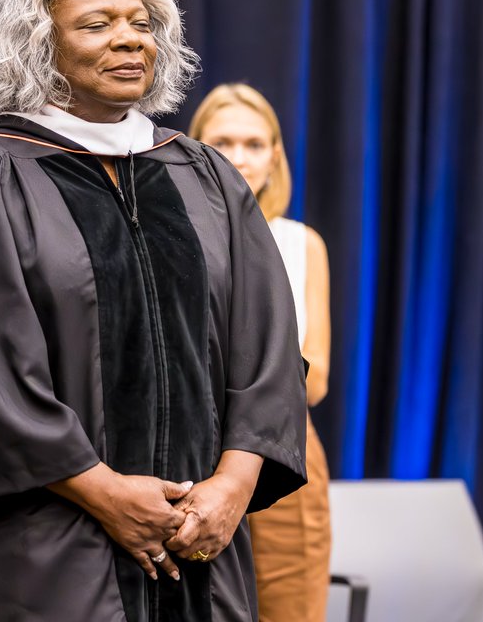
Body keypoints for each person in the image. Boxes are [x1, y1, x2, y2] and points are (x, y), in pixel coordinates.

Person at [0, 0, 307, 621]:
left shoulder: (204, 177)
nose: (130, 39)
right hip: (45, 548)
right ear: (37, 48)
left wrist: (232, 485)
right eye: (97, 25)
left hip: (202, 541)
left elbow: (270, 349)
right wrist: (101, 489)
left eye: (141, 24)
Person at [189, 83, 332, 622]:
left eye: (255, 143)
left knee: (288, 608)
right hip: (188, 447)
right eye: (224, 141)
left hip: (283, 449)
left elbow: (314, 381)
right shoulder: (168, 234)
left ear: (276, 156)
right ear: (195, 147)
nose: (240, 157)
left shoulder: (299, 242)